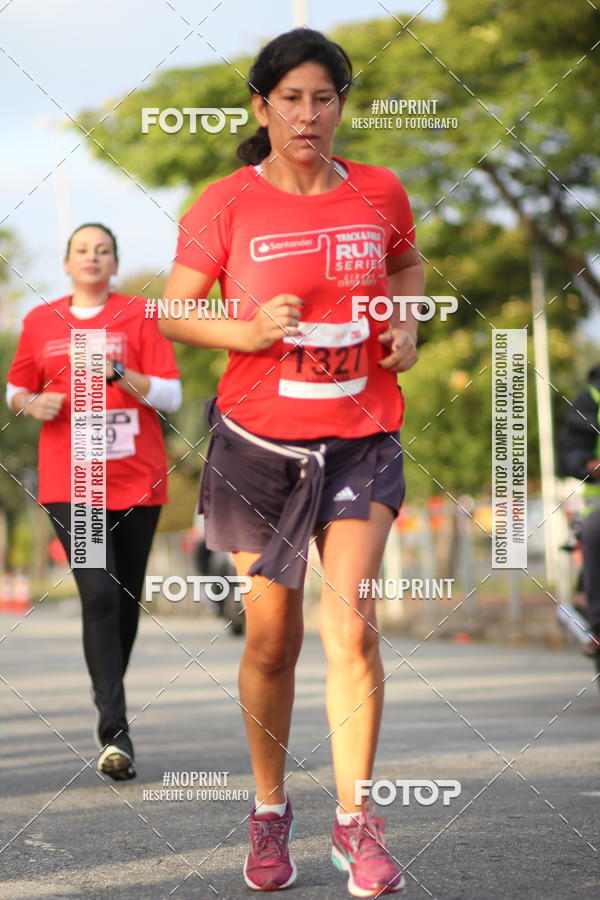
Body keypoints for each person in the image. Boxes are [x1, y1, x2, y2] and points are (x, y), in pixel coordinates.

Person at [161, 28, 423, 896]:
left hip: (361, 433)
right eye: (291, 99)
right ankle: (270, 815)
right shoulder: (226, 204)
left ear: (342, 105)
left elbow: (409, 264)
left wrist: (409, 320)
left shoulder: (380, 192)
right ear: (261, 107)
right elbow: (173, 312)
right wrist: (246, 331)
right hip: (258, 444)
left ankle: (358, 823)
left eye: (325, 98)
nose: (309, 115)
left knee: (350, 624)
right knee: (272, 641)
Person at [6, 223, 181, 780]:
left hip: (138, 478)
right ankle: (115, 730)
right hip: (73, 483)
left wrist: (120, 374)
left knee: (125, 601)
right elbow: (15, 389)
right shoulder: (39, 321)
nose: (92, 257)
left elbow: (172, 393)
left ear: (114, 262)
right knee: (100, 594)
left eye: (103, 250)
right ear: (66, 263)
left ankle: (112, 702)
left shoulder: (139, 316)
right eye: (82, 249)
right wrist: (32, 403)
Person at [558, 365, 600, 667]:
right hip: (598, 505)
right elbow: (569, 453)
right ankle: (598, 625)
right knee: (596, 529)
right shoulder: (591, 399)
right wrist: (588, 464)